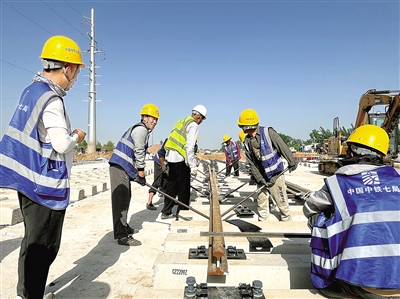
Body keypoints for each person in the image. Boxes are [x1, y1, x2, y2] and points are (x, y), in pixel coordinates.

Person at [0, 35, 86, 299]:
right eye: (78, 71)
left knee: (31, 240)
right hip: (44, 186)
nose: (76, 77)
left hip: (25, 180)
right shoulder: (52, 99)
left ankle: (24, 293)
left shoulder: (31, 90)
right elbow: (60, 144)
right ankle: (32, 295)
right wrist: (77, 137)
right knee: (44, 246)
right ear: (68, 68)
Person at [303, 124, 400, 299]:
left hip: (362, 284)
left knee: (319, 218)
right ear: (383, 155)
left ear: (351, 153)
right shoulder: (398, 180)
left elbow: (309, 207)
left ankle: (328, 277)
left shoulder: (338, 183)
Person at [109, 104, 159, 246]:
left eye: (156, 119)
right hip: (119, 166)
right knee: (121, 202)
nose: (154, 121)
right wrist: (141, 173)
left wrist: (136, 175)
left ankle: (124, 227)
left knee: (126, 198)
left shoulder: (142, 130)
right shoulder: (141, 130)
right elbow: (139, 152)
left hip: (123, 167)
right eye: (152, 118)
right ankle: (122, 236)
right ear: (144, 117)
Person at [237, 108, 297, 221]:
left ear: (249, 126)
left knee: (280, 199)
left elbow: (282, 147)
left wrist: (291, 161)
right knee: (261, 198)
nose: (243, 130)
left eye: (243, 127)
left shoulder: (268, 133)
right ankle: (263, 220)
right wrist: (260, 179)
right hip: (262, 174)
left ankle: (286, 218)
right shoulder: (248, 141)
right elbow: (252, 163)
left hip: (276, 173)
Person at [160, 104, 207, 219]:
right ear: (199, 117)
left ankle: (166, 211)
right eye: (202, 120)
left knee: (171, 186)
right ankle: (183, 213)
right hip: (181, 158)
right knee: (184, 187)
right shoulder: (193, 125)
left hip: (171, 157)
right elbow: (190, 147)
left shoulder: (181, 121)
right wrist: (193, 166)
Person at [146, 138, 168, 210]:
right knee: (157, 181)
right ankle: (149, 202)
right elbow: (161, 153)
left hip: (165, 162)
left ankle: (168, 201)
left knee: (166, 182)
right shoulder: (170, 141)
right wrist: (163, 166)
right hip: (159, 161)